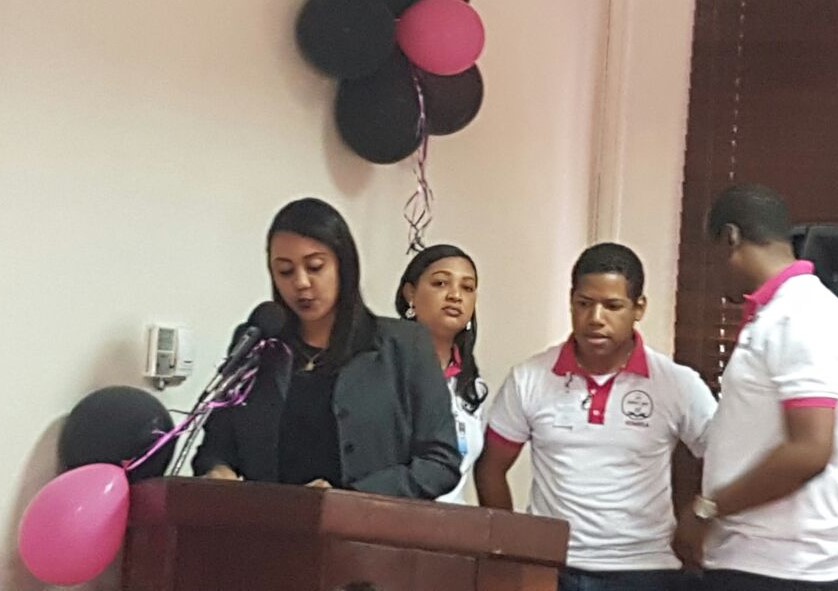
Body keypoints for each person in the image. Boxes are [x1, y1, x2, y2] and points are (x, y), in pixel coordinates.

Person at [474, 243, 717, 591]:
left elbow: (725, 457)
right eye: (584, 303)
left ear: (639, 308)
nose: (595, 318)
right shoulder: (529, 378)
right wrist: (514, 547)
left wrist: (702, 514)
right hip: (552, 568)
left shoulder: (677, 383)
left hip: (645, 570)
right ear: (571, 302)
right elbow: (491, 468)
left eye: (613, 306)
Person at [192, 197, 461, 499]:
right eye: (285, 271)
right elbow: (215, 449)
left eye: (315, 267)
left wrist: (347, 498)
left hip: (366, 525)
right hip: (270, 524)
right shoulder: (258, 345)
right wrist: (218, 471)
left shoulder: (405, 346)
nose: (301, 283)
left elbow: (440, 463)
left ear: (344, 266)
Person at [673, 184, 838, 590]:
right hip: (753, 560)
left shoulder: (803, 316)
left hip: (780, 570)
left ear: (730, 237)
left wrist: (707, 509)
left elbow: (810, 450)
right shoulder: (777, 315)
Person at [396, 244, 488, 504]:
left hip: (452, 524)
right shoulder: (384, 369)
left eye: (467, 288)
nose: (455, 296)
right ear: (410, 294)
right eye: (440, 283)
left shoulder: (474, 388)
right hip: (390, 518)